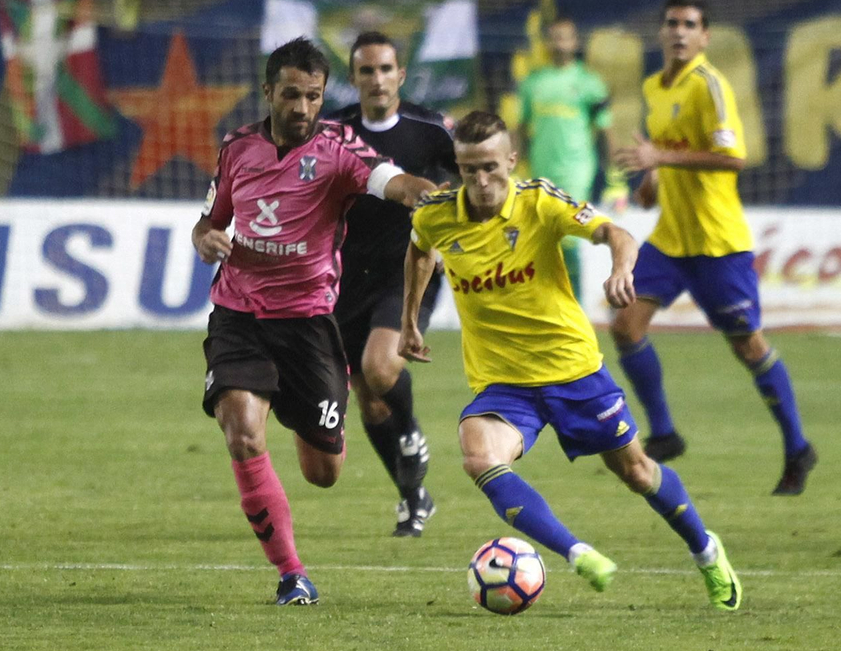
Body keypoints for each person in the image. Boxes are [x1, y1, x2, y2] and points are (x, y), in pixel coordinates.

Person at [399, 109, 743, 611]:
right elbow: (419, 251)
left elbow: (615, 234)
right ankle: (576, 552)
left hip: (573, 371)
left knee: (638, 473)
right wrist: (410, 319)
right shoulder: (436, 214)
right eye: (469, 169)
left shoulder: (537, 202)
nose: (481, 180)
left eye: (491, 167)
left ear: (511, 161)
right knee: (478, 456)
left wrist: (621, 269)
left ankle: (706, 549)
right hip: (504, 382)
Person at [193, 37, 439, 606]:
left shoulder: (337, 148)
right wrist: (206, 237)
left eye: (313, 96)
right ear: (267, 93)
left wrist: (427, 198)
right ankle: (291, 573)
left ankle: (293, 405)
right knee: (241, 430)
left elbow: (391, 182)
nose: (302, 108)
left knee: (323, 471)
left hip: (307, 324)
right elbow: (210, 219)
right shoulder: (238, 149)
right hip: (239, 313)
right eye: (290, 95)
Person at [611, 0, 817, 495]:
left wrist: (660, 155)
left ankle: (797, 447)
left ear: (705, 37)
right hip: (671, 239)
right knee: (624, 325)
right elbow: (667, 151)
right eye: (672, 23)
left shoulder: (710, 85)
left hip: (718, 245)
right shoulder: (654, 87)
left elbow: (732, 158)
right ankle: (663, 433)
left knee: (748, 346)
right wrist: (651, 178)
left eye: (690, 25)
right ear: (661, 32)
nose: (679, 32)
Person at [331, 33, 457, 537]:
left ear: (401, 75)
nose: (377, 80)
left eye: (386, 69)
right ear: (354, 78)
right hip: (344, 275)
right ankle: (412, 496)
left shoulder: (430, 130)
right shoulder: (333, 131)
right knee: (368, 396)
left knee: (379, 367)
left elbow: (469, 180)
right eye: (367, 71)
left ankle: (411, 438)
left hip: (409, 269)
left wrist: (452, 238)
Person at [516, 16, 621, 299]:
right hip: (540, 171)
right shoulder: (532, 83)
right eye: (554, 37)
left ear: (576, 42)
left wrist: (616, 180)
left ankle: (575, 308)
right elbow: (521, 129)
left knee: (569, 237)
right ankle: (547, 306)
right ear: (547, 42)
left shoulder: (589, 83)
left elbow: (605, 132)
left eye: (565, 37)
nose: (559, 42)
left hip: (576, 171)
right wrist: (511, 169)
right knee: (542, 241)